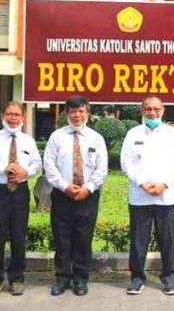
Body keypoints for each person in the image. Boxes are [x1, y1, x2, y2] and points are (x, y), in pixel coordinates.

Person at [120, 95, 174, 296]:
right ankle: (137, 278)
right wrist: (143, 183)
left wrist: (164, 184)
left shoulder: (172, 134)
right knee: (138, 240)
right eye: (148, 109)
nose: (152, 113)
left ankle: (169, 278)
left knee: (167, 239)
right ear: (142, 111)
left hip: (166, 196)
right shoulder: (133, 134)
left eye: (156, 109)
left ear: (163, 110)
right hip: (140, 196)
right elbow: (126, 162)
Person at [43, 95, 108, 296]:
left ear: (87, 113)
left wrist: (88, 188)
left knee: (83, 238)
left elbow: (102, 168)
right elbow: (49, 166)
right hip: (62, 195)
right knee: (62, 238)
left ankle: (80, 278)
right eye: (73, 111)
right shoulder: (57, 137)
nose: (77, 115)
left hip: (88, 196)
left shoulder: (96, 138)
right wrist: (64, 186)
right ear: (67, 113)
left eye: (81, 111)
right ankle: (62, 278)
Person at [0, 101, 42, 297]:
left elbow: (37, 163)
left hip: (20, 191)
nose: (13, 118)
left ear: (23, 118)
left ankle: (16, 279)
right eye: (9, 114)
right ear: (2, 116)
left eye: (17, 115)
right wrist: (3, 169)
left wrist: (26, 171)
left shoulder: (28, 140)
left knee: (18, 237)